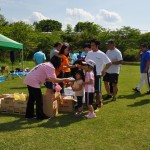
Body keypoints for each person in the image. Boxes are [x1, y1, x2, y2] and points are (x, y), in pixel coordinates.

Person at [24, 55, 73, 120]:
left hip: (29, 78)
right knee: (39, 100)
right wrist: (66, 79)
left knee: (32, 98)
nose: (60, 63)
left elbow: (49, 79)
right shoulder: (51, 67)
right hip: (33, 81)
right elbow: (54, 79)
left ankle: (29, 115)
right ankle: (40, 116)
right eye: (60, 62)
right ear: (57, 61)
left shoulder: (47, 64)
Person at [85, 39, 111, 109]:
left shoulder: (101, 54)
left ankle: (97, 104)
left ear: (97, 46)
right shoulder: (89, 53)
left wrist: (104, 70)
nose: (92, 47)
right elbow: (86, 62)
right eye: (91, 45)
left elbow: (109, 63)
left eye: (93, 45)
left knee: (97, 91)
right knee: (90, 90)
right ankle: (91, 103)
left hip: (97, 75)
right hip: (88, 74)